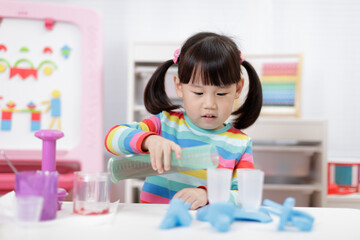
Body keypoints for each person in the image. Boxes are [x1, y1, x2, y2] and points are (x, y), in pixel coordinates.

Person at [105, 32, 262, 210]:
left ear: (238, 89)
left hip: (204, 227)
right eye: (198, 93)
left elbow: (244, 195)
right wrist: (149, 140)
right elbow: (112, 138)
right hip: (154, 223)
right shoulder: (165, 124)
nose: (209, 104)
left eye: (221, 94)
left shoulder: (239, 144)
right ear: (179, 87)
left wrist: (208, 195)